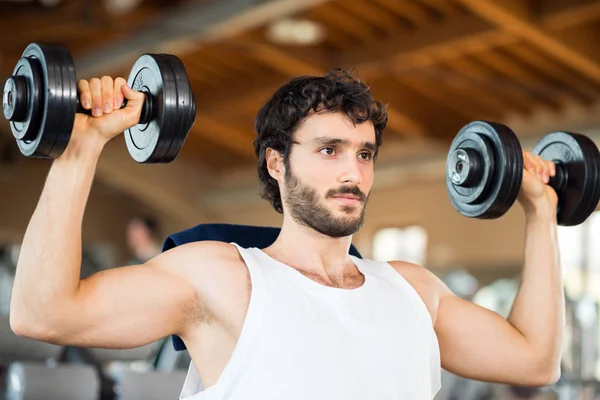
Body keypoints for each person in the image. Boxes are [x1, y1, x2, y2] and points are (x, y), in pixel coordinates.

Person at [9, 69, 564, 399]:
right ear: (277, 163)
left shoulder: (412, 290)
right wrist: (81, 147)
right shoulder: (221, 278)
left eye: (364, 154)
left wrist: (541, 214)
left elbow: (535, 361)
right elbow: (42, 313)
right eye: (329, 150)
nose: (353, 173)